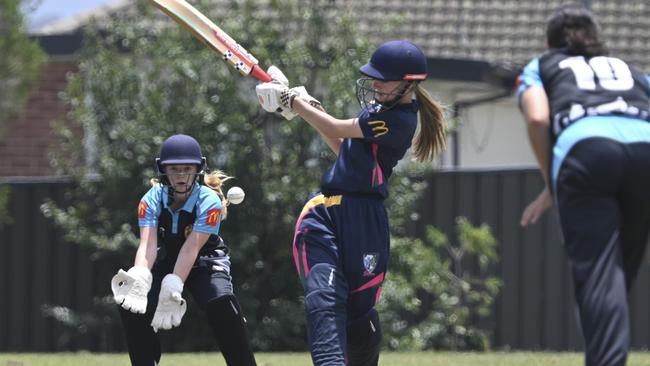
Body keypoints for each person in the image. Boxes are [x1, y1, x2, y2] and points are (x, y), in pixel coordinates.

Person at [256, 40, 447, 365]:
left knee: (360, 314)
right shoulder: (382, 109)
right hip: (326, 212)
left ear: (408, 84)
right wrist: (304, 107)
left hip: (366, 218)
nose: (375, 84)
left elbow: (333, 127)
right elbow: (341, 144)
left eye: (383, 79)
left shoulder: (398, 119)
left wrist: (293, 100)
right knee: (324, 298)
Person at [517, 4, 650, 366]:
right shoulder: (631, 69)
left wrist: (551, 181)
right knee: (620, 276)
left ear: (549, 42)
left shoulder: (542, 65)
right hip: (645, 152)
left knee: (601, 278)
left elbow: (538, 117)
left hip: (587, 154)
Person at [110, 134, 257, 366]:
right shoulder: (150, 199)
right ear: (163, 170)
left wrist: (174, 283)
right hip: (164, 257)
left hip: (205, 260)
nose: (180, 175)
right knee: (130, 301)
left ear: (198, 169)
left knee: (222, 303)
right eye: (174, 169)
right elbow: (148, 245)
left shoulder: (210, 201)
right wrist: (140, 275)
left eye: (187, 168)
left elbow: (192, 247)